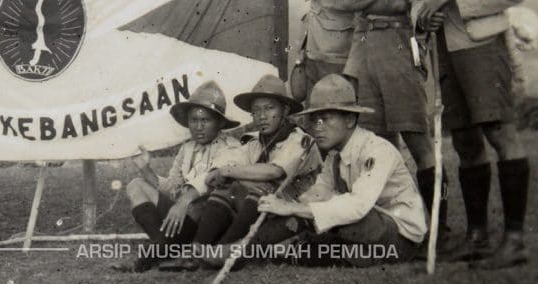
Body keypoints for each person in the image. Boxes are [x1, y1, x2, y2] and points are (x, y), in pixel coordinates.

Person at [413, 0, 528, 268]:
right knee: (464, 142)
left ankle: (514, 239)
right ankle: (477, 235)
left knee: (500, 134)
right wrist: (423, 13)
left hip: (483, 44)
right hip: (445, 50)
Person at [339, 0, 443, 239]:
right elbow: (347, 0)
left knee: (416, 138)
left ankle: (438, 227)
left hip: (400, 45)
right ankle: (393, 224)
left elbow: (399, 4)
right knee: (377, 142)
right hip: (368, 49)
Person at [251, 75, 426, 267]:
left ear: (350, 120)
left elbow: (358, 206)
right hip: (366, 229)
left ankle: (328, 253)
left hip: (399, 236)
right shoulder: (335, 156)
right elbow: (319, 193)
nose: (317, 127)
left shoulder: (377, 150)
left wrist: (293, 209)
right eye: (314, 120)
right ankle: (254, 249)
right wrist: (284, 206)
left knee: (339, 218)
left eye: (325, 119)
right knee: (317, 223)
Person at [159, 75, 320, 270]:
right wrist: (220, 173)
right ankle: (197, 251)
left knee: (256, 187)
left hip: (296, 213)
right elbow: (220, 169)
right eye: (256, 110)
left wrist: (229, 172)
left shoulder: (300, 140)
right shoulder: (253, 144)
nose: (262, 116)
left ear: (285, 110)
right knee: (227, 187)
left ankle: (220, 253)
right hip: (264, 210)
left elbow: (273, 172)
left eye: (269, 108)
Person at [116, 81, 241, 272]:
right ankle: (171, 251)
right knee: (136, 185)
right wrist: (145, 169)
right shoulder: (188, 148)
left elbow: (212, 179)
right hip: (185, 218)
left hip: (212, 223)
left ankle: (145, 261)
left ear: (220, 122)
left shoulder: (231, 147)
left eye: (205, 120)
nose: (199, 127)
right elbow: (172, 187)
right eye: (193, 120)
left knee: (199, 204)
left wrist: (183, 202)